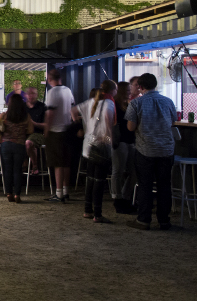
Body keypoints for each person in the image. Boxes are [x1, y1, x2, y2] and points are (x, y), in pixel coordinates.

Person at [125, 73, 177, 231]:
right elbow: (173, 121)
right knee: (164, 185)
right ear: (155, 84)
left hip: (145, 149)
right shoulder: (168, 101)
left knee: (145, 185)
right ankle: (164, 221)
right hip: (166, 149)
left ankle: (144, 220)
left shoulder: (136, 103)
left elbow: (131, 127)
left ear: (140, 87)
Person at [73, 80, 116, 223]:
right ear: (111, 91)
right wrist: (109, 137)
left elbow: (73, 111)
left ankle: (87, 210)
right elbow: (107, 121)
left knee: (90, 178)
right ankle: (98, 214)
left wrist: (81, 126)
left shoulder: (91, 101)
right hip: (101, 145)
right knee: (99, 180)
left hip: (88, 145)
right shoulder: (109, 103)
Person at [0, 94, 34, 203]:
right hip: (19, 145)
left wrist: (0, 136)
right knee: (17, 170)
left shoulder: (4, 115)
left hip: (6, 144)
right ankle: (17, 195)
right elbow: (30, 131)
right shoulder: (26, 116)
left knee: (7, 170)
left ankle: (8, 193)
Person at [44, 69, 76, 203]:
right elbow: (73, 108)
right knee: (66, 163)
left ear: (49, 79)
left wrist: (46, 130)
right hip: (68, 130)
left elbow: (50, 114)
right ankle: (66, 191)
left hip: (56, 131)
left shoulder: (52, 93)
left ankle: (58, 193)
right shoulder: (67, 90)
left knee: (58, 163)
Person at [111, 81, 137, 213]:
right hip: (120, 141)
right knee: (118, 171)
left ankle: (125, 197)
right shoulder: (116, 105)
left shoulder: (128, 104)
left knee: (133, 171)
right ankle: (118, 198)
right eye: (127, 91)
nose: (129, 93)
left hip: (130, 140)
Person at [24, 87, 47, 175]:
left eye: (33, 93)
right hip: (23, 133)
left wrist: (34, 123)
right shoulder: (22, 106)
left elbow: (47, 125)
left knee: (28, 143)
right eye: (29, 93)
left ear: (37, 95)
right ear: (26, 95)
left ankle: (35, 166)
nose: (31, 96)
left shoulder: (42, 107)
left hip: (38, 134)